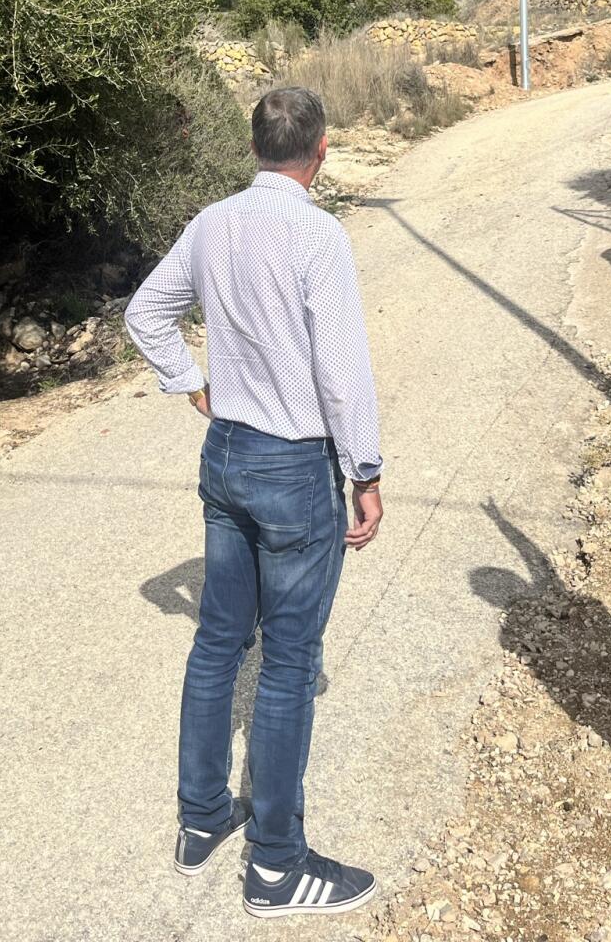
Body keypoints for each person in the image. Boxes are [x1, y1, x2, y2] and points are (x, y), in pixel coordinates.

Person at [124, 85, 383, 919]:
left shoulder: (211, 223)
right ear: (322, 149)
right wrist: (366, 472)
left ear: (255, 146)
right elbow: (342, 375)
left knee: (217, 645)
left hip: (226, 452)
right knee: (288, 665)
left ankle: (202, 821)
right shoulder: (319, 233)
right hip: (293, 466)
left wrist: (190, 383)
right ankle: (277, 864)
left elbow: (145, 313)